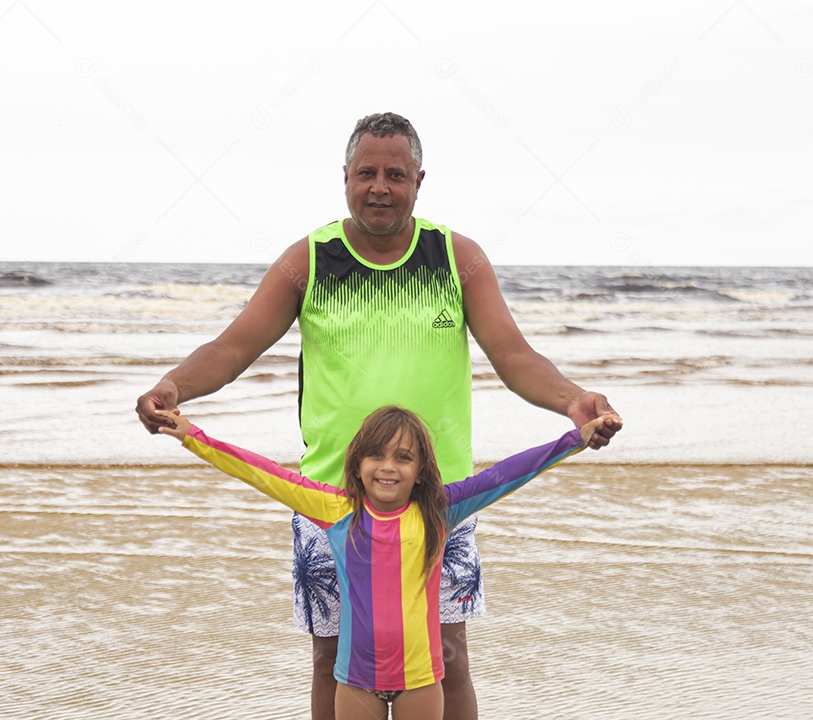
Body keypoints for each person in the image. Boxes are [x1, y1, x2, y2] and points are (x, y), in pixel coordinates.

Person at [135, 111, 622, 720]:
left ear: (420, 181)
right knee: (330, 656)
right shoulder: (308, 260)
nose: (380, 186)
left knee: (448, 653)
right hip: (329, 494)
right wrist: (174, 386)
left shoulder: (456, 257)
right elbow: (233, 349)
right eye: (367, 172)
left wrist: (570, 401)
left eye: (396, 174)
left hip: (440, 496)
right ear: (345, 177)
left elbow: (514, 355)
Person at [156, 405, 619, 720]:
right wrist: (192, 437)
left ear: (420, 470)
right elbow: (261, 472)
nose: (388, 466)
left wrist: (574, 439)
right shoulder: (335, 510)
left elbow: (508, 473)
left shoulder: (440, 508)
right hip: (355, 682)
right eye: (376, 454)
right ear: (356, 463)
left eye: (403, 457)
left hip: (421, 681)